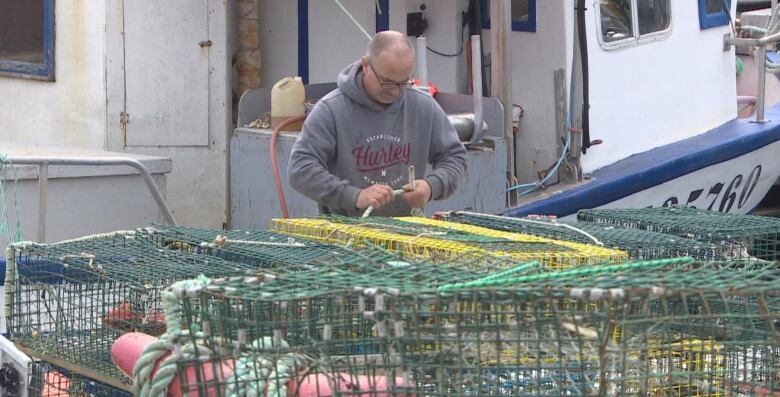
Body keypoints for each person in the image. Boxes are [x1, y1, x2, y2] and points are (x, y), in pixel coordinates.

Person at [288, 30, 467, 217]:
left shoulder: (423, 106)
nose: (396, 92)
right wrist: (354, 196)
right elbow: (300, 168)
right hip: (342, 235)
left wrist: (432, 186)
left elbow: (455, 157)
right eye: (387, 82)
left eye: (404, 83)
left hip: (407, 235)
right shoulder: (331, 110)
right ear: (366, 65)